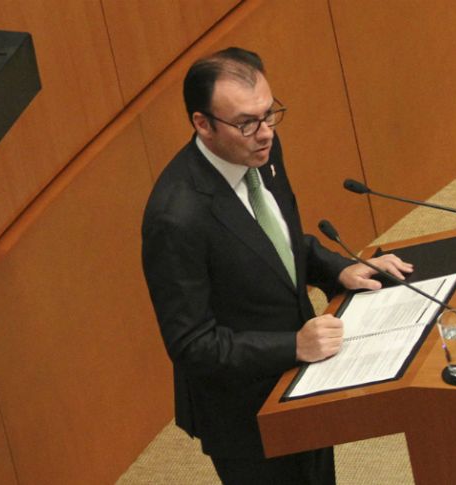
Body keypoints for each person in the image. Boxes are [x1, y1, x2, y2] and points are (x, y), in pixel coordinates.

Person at [141, 47, 413, 485]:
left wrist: (336, 269)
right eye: (247, 122)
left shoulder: (260, 151)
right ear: (202, 124)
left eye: (270, 114)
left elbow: (276, 238)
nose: (264, 132)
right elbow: (192, 344)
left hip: (303, 382)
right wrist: (293, 346)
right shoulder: (176, 217)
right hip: (244, 413)